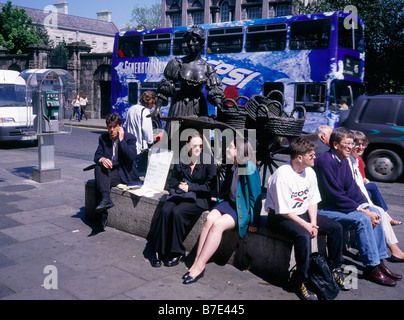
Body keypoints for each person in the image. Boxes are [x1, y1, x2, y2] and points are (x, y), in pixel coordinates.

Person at [313, 127, 401, 286]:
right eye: (347, 143)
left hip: (338, 206)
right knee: (362, 219)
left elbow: (352, 188)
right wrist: (361, 210)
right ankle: (372, 267)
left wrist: (366, 207)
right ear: (335, 144)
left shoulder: (344, 160)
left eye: (352, 143)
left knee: (375, 211)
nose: (351, 147)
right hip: (323, 209)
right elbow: (334, 194)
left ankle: (380, 260)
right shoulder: (325, 161)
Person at [265, 137, 348, 300]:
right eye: (311, 155)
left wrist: (314, 223)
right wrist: (306, 225)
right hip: (279, 217)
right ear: (299, 157)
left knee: (335, 227)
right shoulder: (282, 176)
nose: (315, 157)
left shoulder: (309, 171)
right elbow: (284, 211)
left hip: (301, 213)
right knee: (303, 235)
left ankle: (335, 269)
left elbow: (312, 200)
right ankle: (299, 281)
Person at [183, 137, 261, 284]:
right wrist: (220, 203)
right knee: (209, 219)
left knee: (218, 225)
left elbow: (255, 198)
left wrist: (254, 221)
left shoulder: (250, 168)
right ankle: (197, 259)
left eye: (231, 147)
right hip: (229, 203)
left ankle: (200, 266)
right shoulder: (233, 165)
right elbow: (226, 189)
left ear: (239, 151)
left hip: (240, 208)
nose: (227, 149)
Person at [150, 130, 216, 268]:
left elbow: (210, 187)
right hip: (181, 194)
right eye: (194, 145)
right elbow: (172, 179)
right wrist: (180, 185)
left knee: (178, 213)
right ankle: (157, 250)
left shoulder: (208, 161)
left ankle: (177, 252)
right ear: (187, 145)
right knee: (165, 211)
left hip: (199, 199)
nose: (197, 149)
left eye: (200, 146)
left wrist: (190, 187)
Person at [151, 25, 225, 133]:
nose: (190, 44)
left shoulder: (208, 68)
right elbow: (166, 88)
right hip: (180, 105)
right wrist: (157, 109)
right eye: (188, 41)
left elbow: (215, 90)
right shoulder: (177, 64)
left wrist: (218, 103)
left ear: (202, 43)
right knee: (175, 141)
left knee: (198, 141)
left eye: (194, 40)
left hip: (199, 107)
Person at [348, 130, 404, 262]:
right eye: (356, 144)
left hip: (360, 200)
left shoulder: (356, 161)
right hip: (353, 203)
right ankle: (388, 253)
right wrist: (365, 207)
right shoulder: (348, 162)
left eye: (363, 144)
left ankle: (392, 251)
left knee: (378, 210)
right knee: (377, 211)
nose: (360, 147)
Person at [93, 113, 141, 232]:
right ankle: (106, 199)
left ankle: (103, 213)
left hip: (123, 172)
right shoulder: (103, 138)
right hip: (110, 170)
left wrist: (121, 140)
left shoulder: (130, 138)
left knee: (101, 181)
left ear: (120, 126)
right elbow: (97, 155)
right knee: (98, 167)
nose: (112, 130)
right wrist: (103, 159)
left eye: (114, 127)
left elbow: (132, 157)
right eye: (109, 127)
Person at [124, 91, 156, 174]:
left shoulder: (131, 109)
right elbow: (147, 131)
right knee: (140, 175)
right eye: (153, 103)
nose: (153, 105)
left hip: (130, 146)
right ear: (149, 102)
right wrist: (152, 140)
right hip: (140, 150)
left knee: (131, 173)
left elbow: (125, 125)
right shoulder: (145, 111)